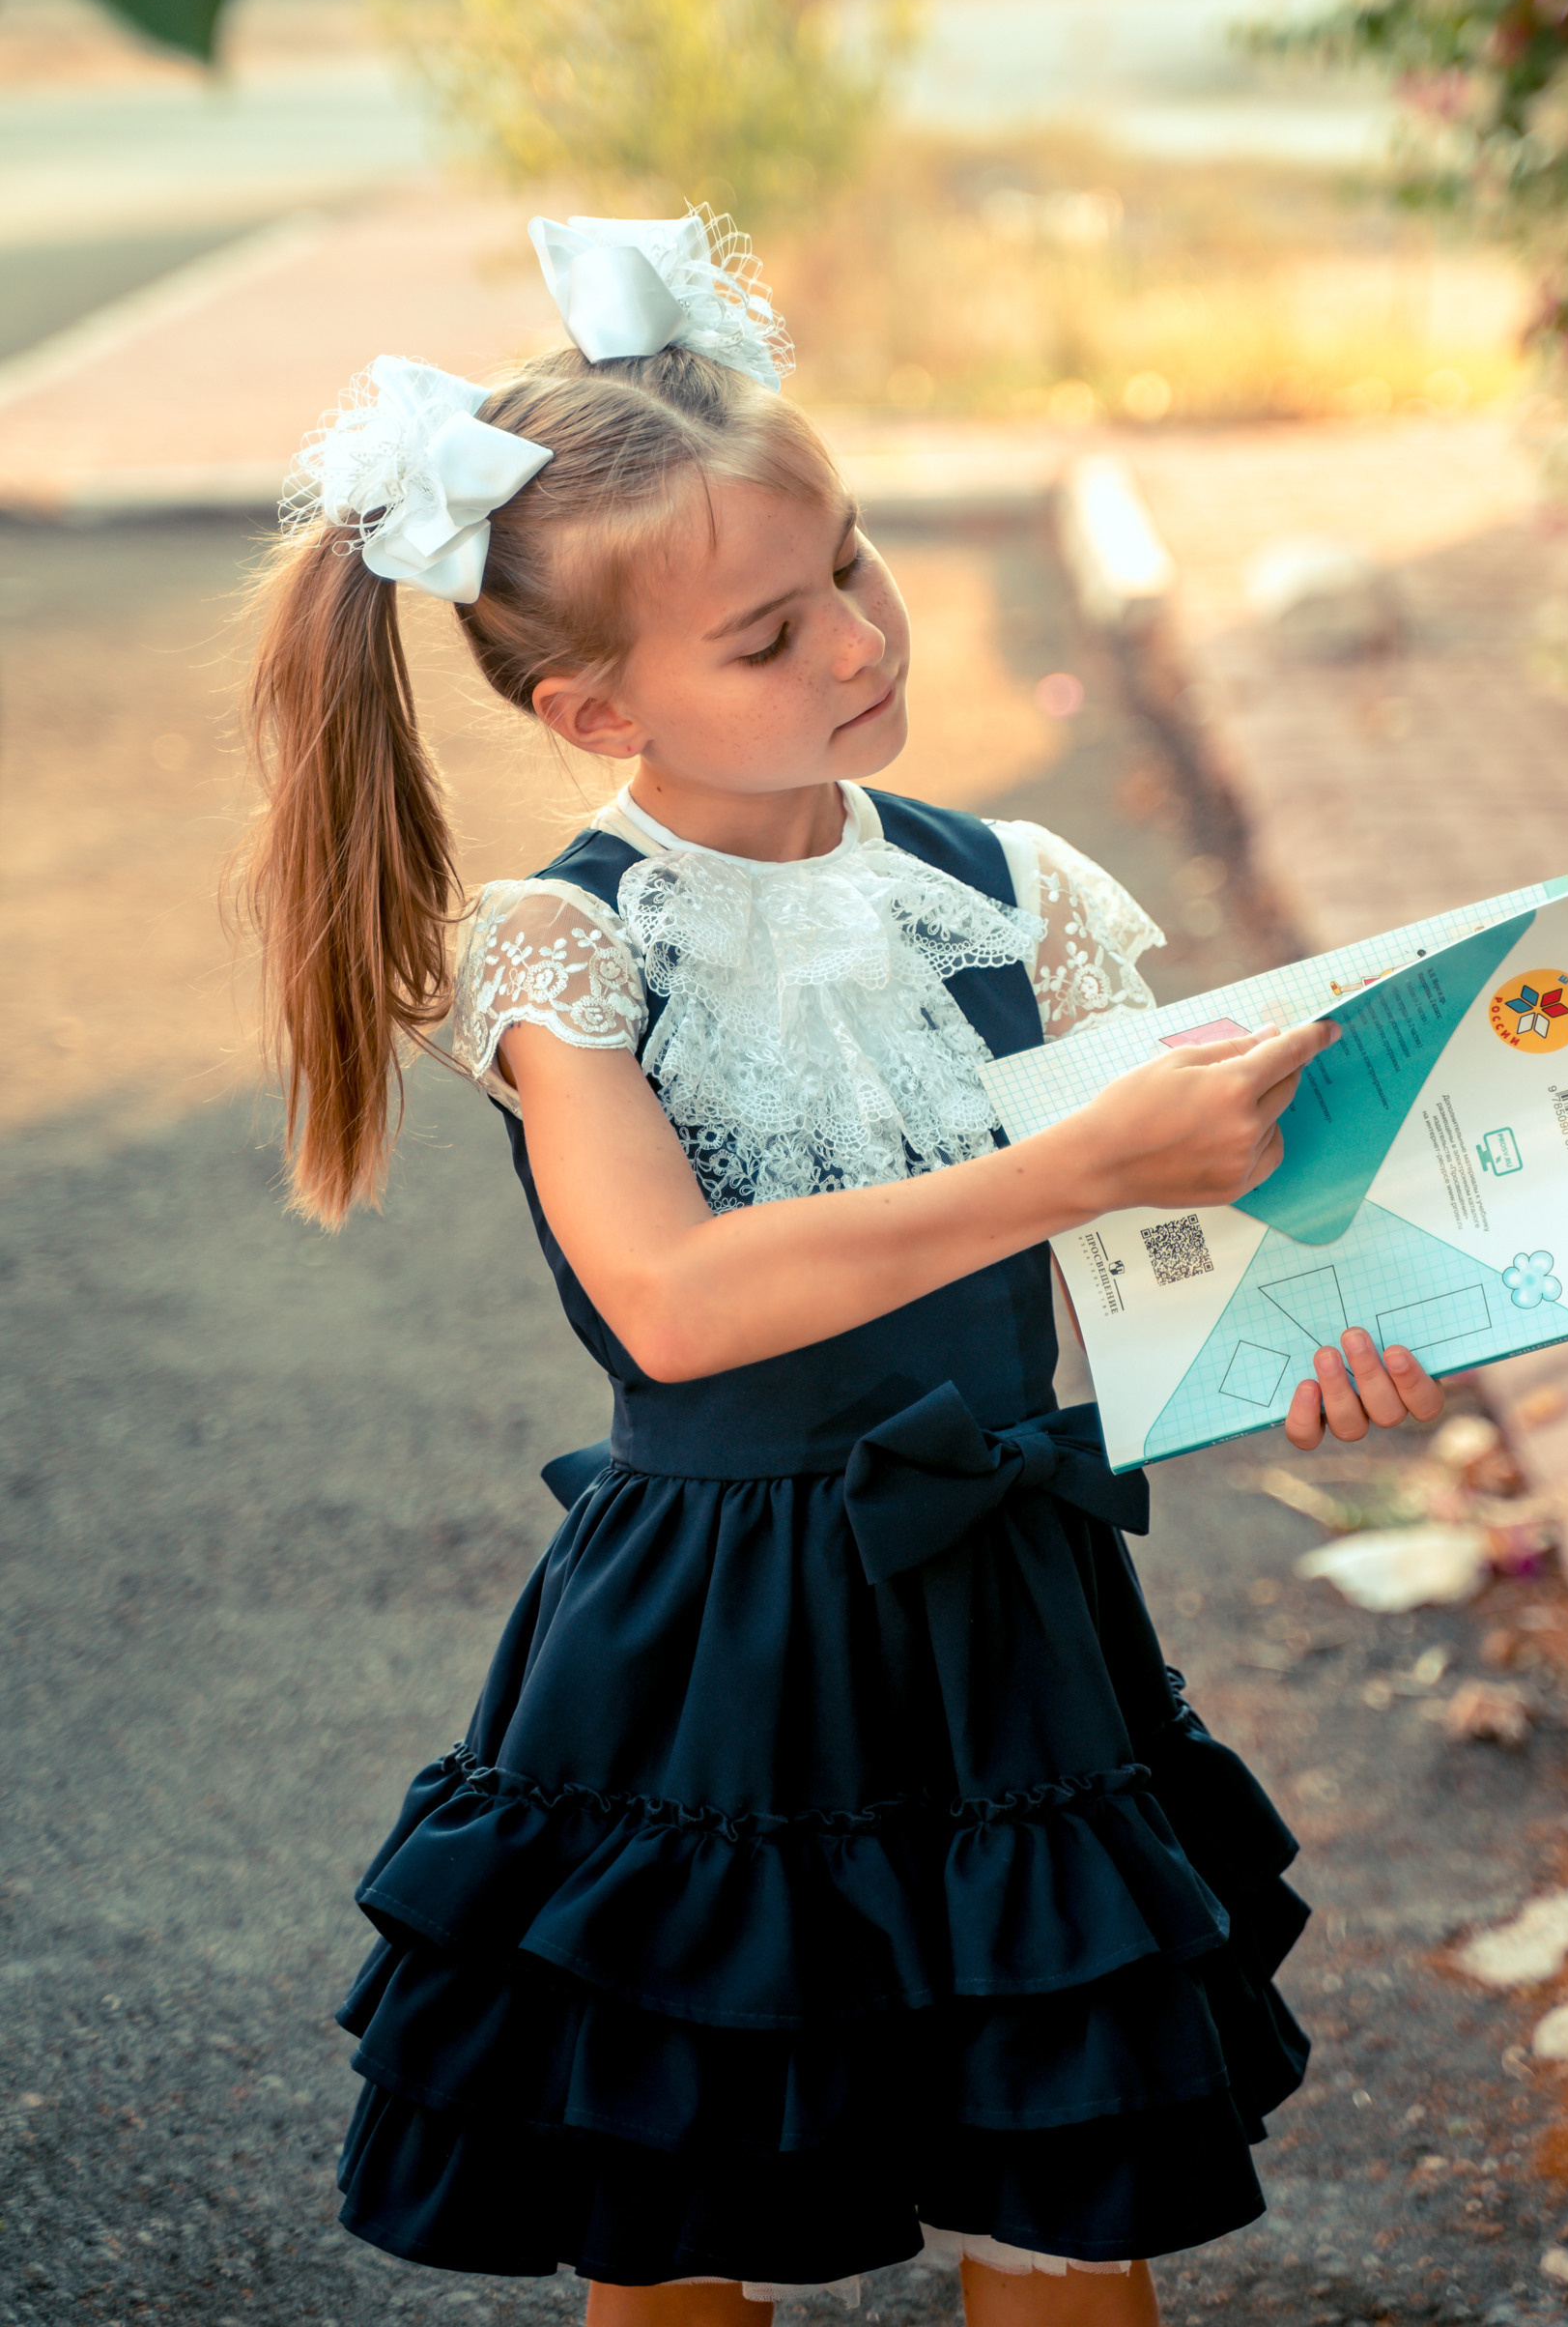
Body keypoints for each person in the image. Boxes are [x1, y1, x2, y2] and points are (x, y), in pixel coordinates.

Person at [240, 209, 1446, 2326]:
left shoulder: (1023, 896)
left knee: (1068, 2210)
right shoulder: (567, 945)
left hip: (1012, 1625)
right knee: (692, 2215)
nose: (858, 647)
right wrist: (1066, 1161)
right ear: (591, 700)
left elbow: (1130, 1272)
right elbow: (681, 1301)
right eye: (770, 639)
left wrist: (1316, 1342)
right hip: (708, 1647)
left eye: (855, 573)